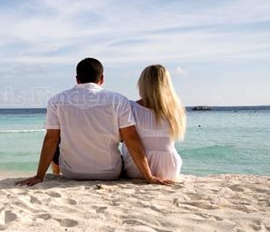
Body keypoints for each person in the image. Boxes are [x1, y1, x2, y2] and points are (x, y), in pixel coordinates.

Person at [17, 58, 172, 186]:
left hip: (71, 173)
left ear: (77, 79)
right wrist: (149, 177)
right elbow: (131, 139)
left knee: (56, 142)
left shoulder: (56, 101)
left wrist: (39, 176)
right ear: (102, 79)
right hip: (110, 173)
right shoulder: (118, 100)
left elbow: (51, 139)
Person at [122, 64, 186, 181]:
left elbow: (124, 138)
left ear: (142, 84)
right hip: (170, 168)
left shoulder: (131, 107)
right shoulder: (176, 110)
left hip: (137, 168)